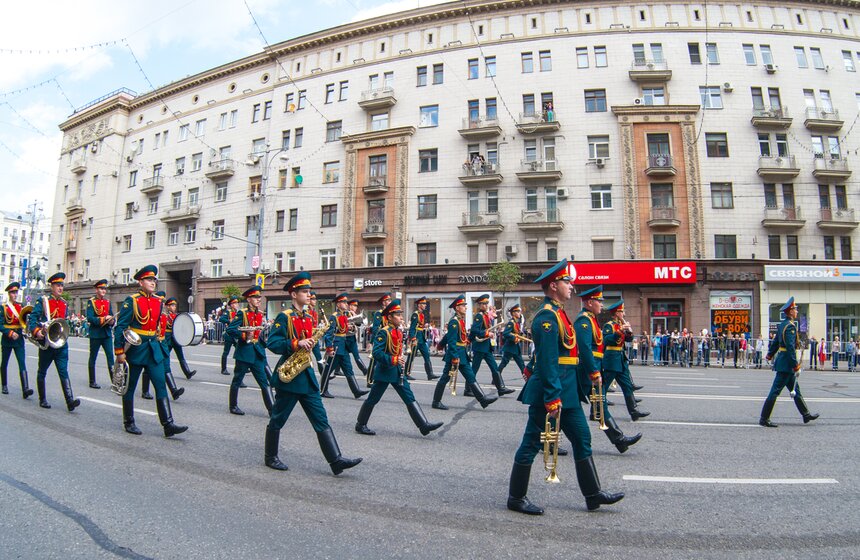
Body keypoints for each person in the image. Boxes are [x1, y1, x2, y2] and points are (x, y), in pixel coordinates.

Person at [507, 260, 624, 515]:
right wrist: (551, 397)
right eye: (566, 282)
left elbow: (567, 354)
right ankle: (516, 497)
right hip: (552, 391)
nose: (571, 286)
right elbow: (548, 361)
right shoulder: (547, 318)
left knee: (583, 438)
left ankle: (593, 495)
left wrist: (586, 377)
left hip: (567, 389)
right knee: (532, 443)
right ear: (553, 286)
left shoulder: (559, 313)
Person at [264, 271, 362, 475]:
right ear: (294, 294)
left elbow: (310, 342)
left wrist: (320, 355)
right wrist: (295, 343)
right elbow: (272, 343)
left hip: (306, 376)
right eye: (305, 292)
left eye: (309, 292)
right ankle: (270, 457)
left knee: (321, 418)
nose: (309, 295)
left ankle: (336, 460)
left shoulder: (308, 318)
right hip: (290, 377)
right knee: (278, 418)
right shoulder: (285, 317)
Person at [113, 265, 187, 436]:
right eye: (149, 279)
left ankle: (168, 424)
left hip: (153, 348)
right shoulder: (132, 301)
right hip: (136, 348)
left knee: (160, 384)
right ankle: (129, 421)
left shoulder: (157, 301)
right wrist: (119, 352)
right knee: (130, 387)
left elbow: (157, 326)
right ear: (140, 282)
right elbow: (121, 327)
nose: (153, 282)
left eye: (154, 279)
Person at [355, 299, 443, 437]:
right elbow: (377, 353)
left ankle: (423, 425)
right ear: (389, 317)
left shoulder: (398, 331)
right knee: (373, 399)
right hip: (384, 372)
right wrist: (394, 359)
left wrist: (399, 360)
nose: (401, 318)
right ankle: (360, 424)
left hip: (396, 372)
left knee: (409, 396)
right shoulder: (384, 332)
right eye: (398, 315)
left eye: (401, 315)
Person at [576, 287, 641, 453]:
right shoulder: (584, 320)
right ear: (590, 303)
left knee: (597, 405)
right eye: (599, 301)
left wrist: (626, 332)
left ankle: (619, 441)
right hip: (586, 371)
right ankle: (619, 440)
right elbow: (585, 349)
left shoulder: (592, 319)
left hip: (594, 367)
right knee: (572, 406)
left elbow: (599, 345)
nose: (601, 305)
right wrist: (594, 372)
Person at [760, 297, 819, 428]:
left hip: (783, 362)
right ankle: (764, 418)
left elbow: (776, 342)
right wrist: (795, 365)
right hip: (786, 364)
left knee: (795, 390)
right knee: (774, 391)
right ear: (790, 311)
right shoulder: (790, 327)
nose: (797, 311)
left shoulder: (782, 325)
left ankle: (805, 414)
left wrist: (770, 354)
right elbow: (790, 348)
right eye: (795, 309)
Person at [431, 294, 498, 410]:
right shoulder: (454, 322)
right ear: (457, 308)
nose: (466, 308)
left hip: (462, 353)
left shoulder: (460, 321)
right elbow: (452, 342)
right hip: (456, 355)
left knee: (471, 376)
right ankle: (436, 402)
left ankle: (483, 400)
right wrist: (454, 356)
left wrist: (441, 344)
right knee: (445, 378)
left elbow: (449, 336)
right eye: (463, 305)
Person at [29, 273, 80, 412]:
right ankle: (42, 399)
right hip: (47, 342)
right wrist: (37, 331)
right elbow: (33, 318)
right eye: (57, 285)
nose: (60, 288)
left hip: (60, 342)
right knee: (42, 371)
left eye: (62, 285)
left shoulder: (64, 302)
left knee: (63, 371)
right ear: (51, 286)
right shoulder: (43, 301)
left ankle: (70, 400)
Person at [226, 286, 273, 416]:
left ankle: (271, 409)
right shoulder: (243, 313)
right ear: (249, 299)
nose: (259, 299)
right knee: (237, 380)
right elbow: (230, 330)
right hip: (245, 352)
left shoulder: (260, 313)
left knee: (264, 382)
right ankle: (233, 406)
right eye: (256, 297)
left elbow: (260, 332)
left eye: (259, 297)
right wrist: (244, 335)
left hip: (257, 352)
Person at [602, 301, 650, 423]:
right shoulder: (609, 325)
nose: (624, 313)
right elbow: (606, 340)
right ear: (616, 313)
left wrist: (628, 330)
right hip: (612, 359)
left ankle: (634, 412)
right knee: (604, 386)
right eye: (622, 311)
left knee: (627, 385)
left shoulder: (621, 324)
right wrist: (619, 331)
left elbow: (628, 339)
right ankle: (595, 410)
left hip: (620, 359)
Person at [320, 293, 369, 399]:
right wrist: (329, 348)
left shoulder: (345, 315)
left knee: (348, 368)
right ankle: (323, 390)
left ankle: (356, 390)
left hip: (343, 345)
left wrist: (350, 328)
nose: (346, 304)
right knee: (328, 368)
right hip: (336, 346)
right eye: (343, 302)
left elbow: (343, 329)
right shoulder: (334, 316)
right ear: (338, 304)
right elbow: (329, 333)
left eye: (346, 302)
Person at [470, 294, 514, 396]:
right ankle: (468, 389)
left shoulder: (486, 315)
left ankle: (501, 388)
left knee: (494, 367)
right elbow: (474, 330)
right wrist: (486, 333)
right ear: (479, 305)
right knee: (474, 369)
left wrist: (490, 333)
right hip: (480, 347)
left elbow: (487, 326)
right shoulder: (479, 316)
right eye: (483, 304)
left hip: (486, 347)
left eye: (486, 303)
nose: (485, 305)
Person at [1, 282, 33, 398]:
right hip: (7, 339)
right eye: (13, 293)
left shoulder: (21, 307)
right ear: (9, 294)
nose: (15, 295)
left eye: (16, 292)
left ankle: (25, 388)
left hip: (19, 338)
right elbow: (0, 324)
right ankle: (4, 385)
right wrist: (9, 333)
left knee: (21, 362)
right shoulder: (3, 307)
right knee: (4, 362)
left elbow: (25, 321)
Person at [85, 279, 115, 389]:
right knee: (93, 357)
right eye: (101, 289)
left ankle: (115, 382)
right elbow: (90, 318)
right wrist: (103, 319)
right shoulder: (91, 302)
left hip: (106, 334)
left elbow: (111, 315)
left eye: (104, 289)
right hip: (96, 334)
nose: (103, 291)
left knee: (111, 358)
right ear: (96, 290)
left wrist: (112, 321)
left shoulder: (107, 302)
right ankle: (92, 381)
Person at [407, 296, 440, 381]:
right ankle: (406, 373)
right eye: (423, 303)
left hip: (421, 338)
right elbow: (412, 328)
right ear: (419, 305)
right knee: (411, 356)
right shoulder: (415, 314)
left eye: (425, 303)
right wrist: (413, 339)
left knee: (427, 355)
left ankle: (430, 374)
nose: (425, 305)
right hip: (416, 338)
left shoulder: (422, 314)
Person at [498, 304, 527, 377]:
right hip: (510, 348)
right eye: (518, 311)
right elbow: (506, 333)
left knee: (521, 364)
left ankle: (528, 379)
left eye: (519, 311)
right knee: (503, 364)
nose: (519, 313)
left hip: (515, 348)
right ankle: (496, 378)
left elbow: (516, 333)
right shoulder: (511, 322)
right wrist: (515, 338)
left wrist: (521, 335)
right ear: (513, 313)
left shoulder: (516, 323)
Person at [220, 297, 240, 375]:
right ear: (231, 305)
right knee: (226, 352)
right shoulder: (228, 312)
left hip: (236, 335)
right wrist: (229, 321)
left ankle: (241, 367)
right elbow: (221, 319)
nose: (236, 305)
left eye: (237, 303)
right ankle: (223, 369)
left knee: (239, 351)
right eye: (234, 303)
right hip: (229, 335)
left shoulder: (238, 312)